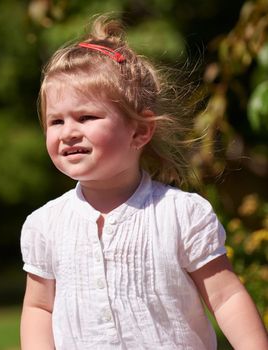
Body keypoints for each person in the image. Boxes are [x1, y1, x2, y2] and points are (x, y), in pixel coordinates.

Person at [19, 15, 268, 350]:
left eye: (86, 117)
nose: (69, 132)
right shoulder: (45, 226)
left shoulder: (180, 215)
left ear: (139, 131)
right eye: (56, 120)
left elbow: (225, 297)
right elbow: (39, 307)